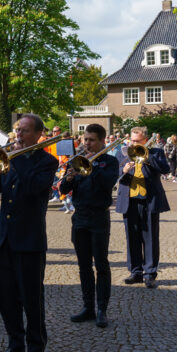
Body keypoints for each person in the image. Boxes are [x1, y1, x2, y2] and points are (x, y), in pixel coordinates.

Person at [0, 113, 58, 352]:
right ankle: (15, 343)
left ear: (38, 134)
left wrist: (15, 158)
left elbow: (34, 188)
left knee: (31, 298)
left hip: (29, 239)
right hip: (5, 237)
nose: (19, 135)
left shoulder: (48, 161)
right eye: (18, 130)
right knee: (7, 298)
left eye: (25, 131)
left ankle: (35, 347)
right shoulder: (10, 160)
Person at [59, 123, 118, 328]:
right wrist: (68, 177)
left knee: (101, 264)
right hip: (80, 217)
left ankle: (102, 309)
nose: (87, 143)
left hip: (99, 217)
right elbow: (64, 189)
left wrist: (88, 168)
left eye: (91, 140)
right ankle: (88, 307)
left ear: (102, 141)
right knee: (84, 265)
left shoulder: (110, 162)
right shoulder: (75, 161)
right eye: (85, 139)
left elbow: (107, 184)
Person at [120, 126, 171, 289]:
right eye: (132, 140)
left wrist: (146, 157)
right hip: (130, 201)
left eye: (137, 141)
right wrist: (124, 170)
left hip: (149, 200)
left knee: (150, 238)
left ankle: (149, 274)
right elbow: (117, 177)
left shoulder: (156, 153)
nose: (133, 144)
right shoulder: (122, 153)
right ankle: (135, 272)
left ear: (145, 140)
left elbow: (165, 169)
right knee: (132, 237)